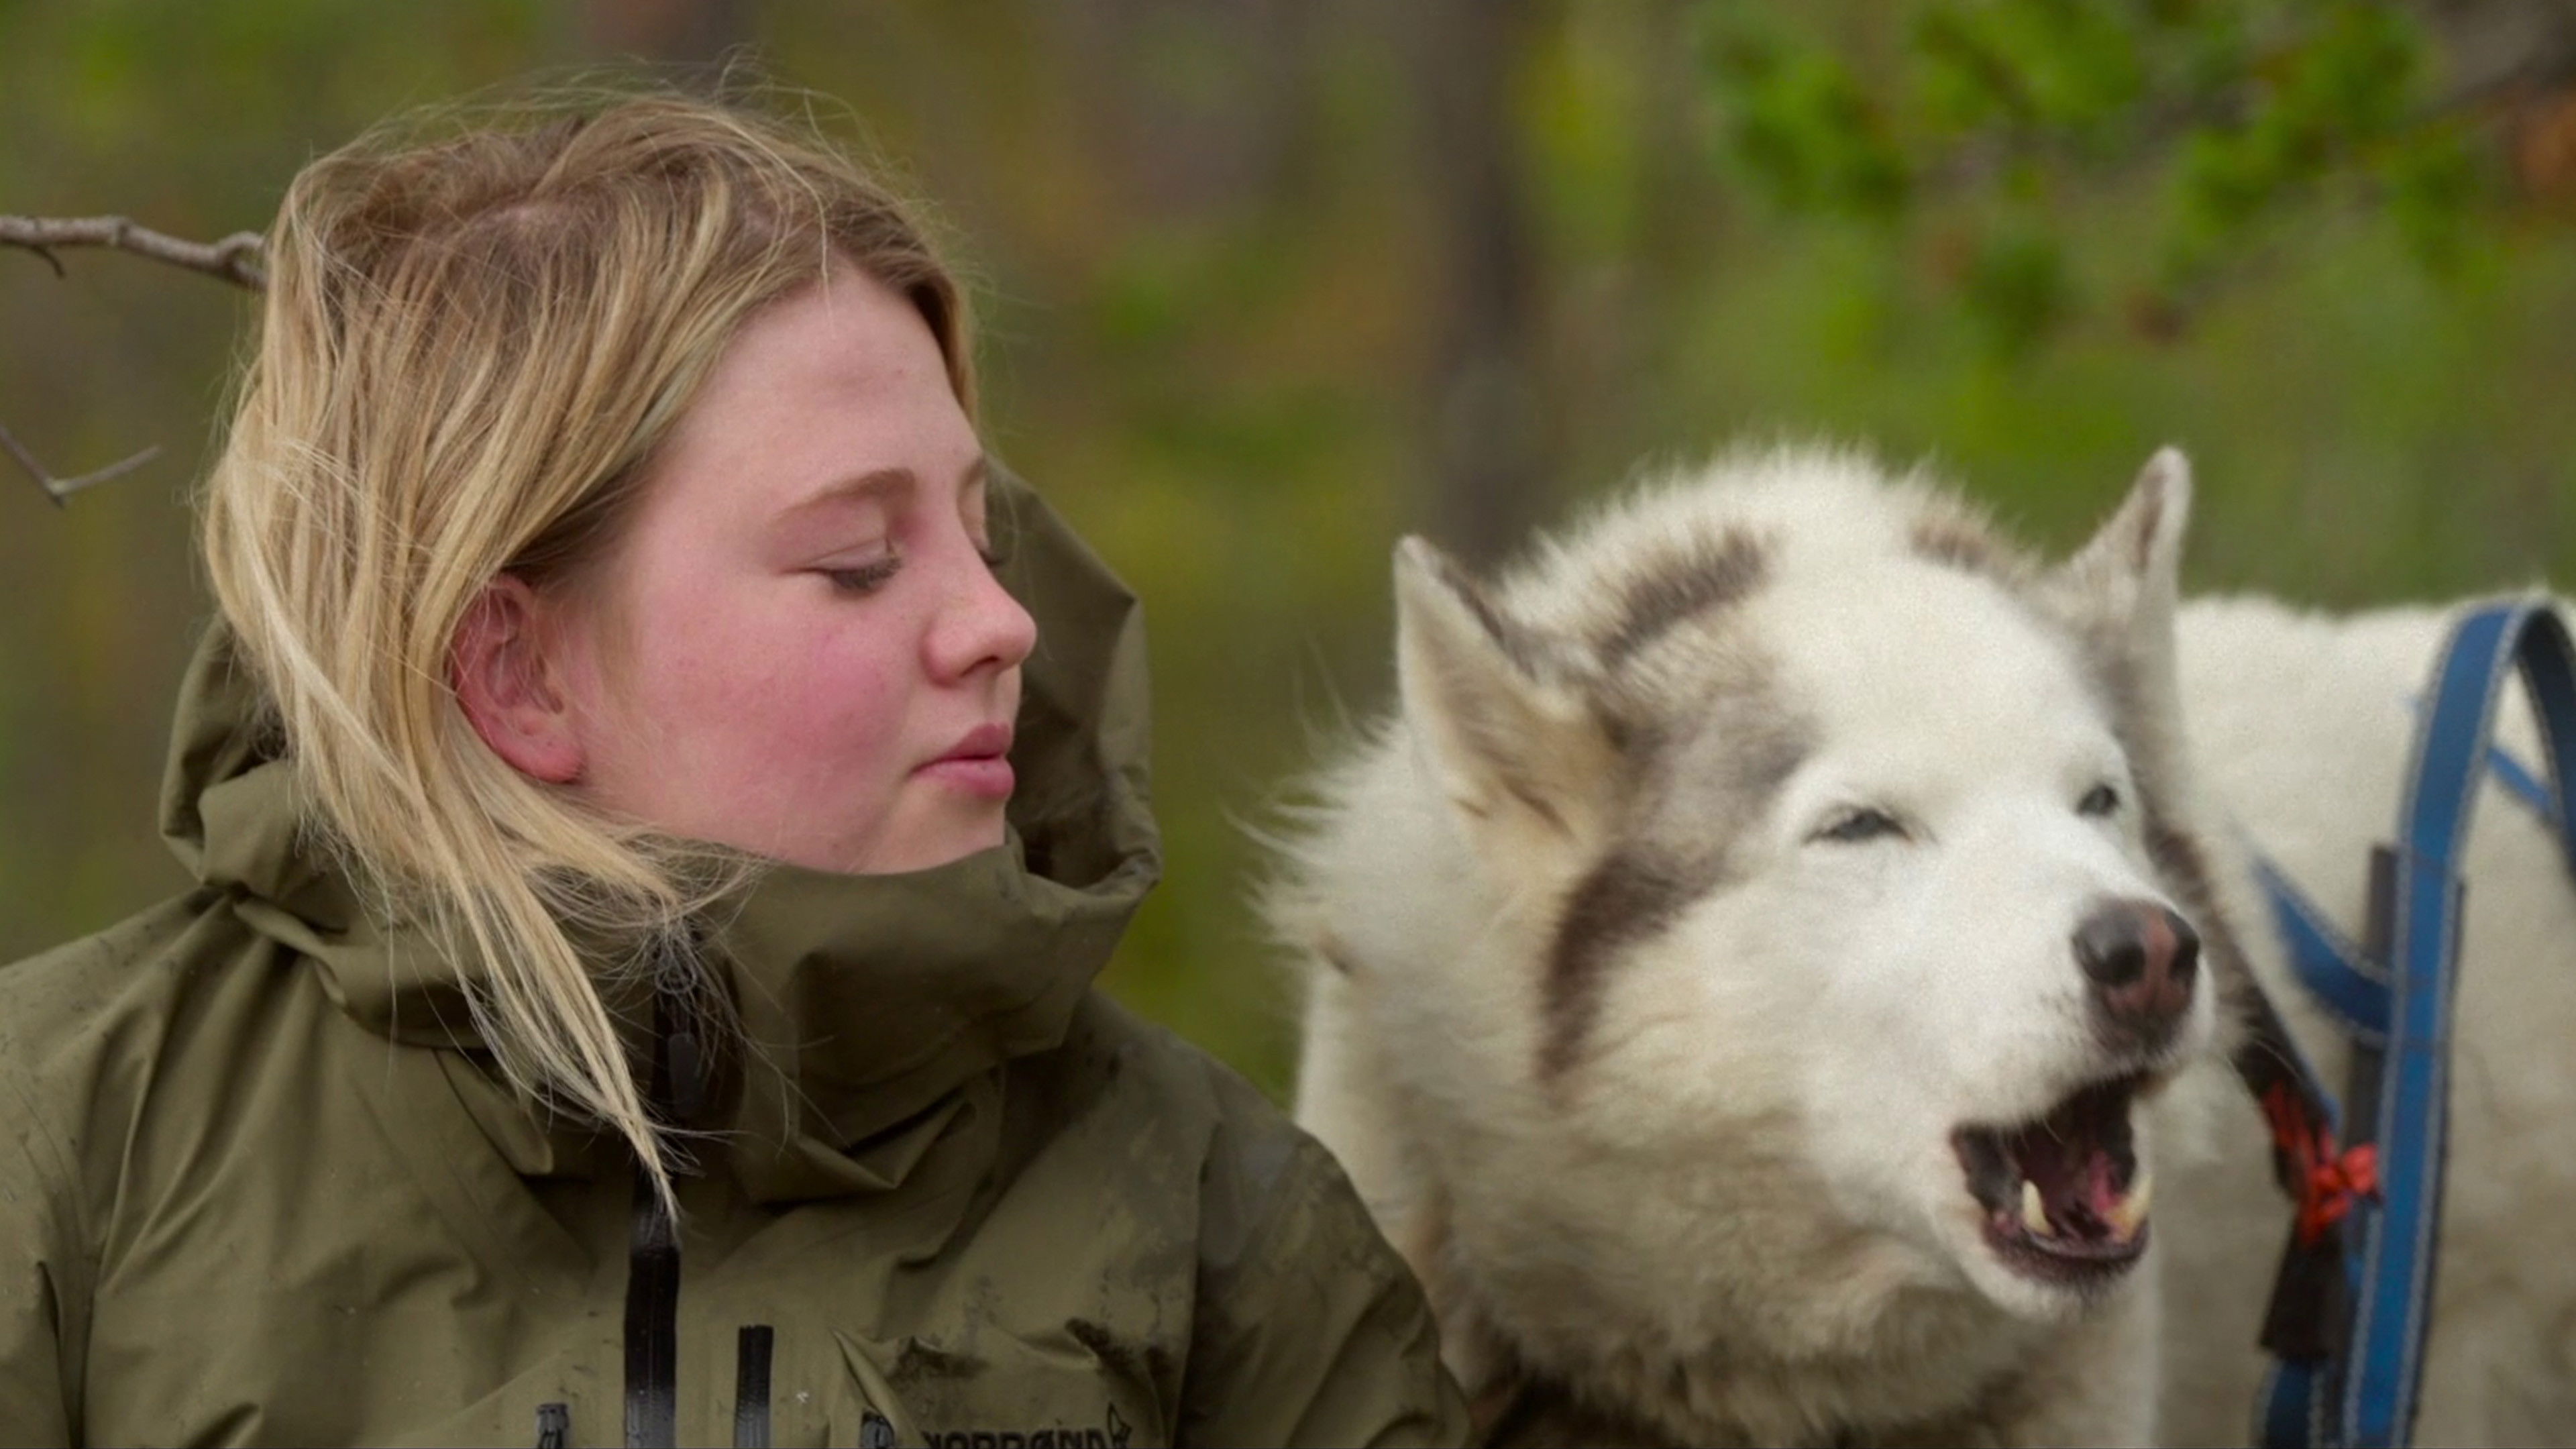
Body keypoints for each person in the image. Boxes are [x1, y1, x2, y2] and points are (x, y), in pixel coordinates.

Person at [0, 89, 1468, 1447]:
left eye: (980, 528)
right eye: (857, 561)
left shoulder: (1218, 1223)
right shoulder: (61, 1156)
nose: (1001, 620)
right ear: (518, 673)